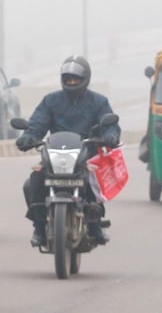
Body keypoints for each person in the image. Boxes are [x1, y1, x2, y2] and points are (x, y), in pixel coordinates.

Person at [15, 55, 121, 247]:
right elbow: (37, 124)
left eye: (76, 79)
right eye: (68, 79)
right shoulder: (50, 101)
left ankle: (95, 225)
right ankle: (39, 228)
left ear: (85, 79)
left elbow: (110, 124)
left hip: (86, 155)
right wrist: (28, 137)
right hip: (55, 155)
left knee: (94, 181)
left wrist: (110, 135)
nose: (72, 82)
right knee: (33, 182)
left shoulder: (99, 102)